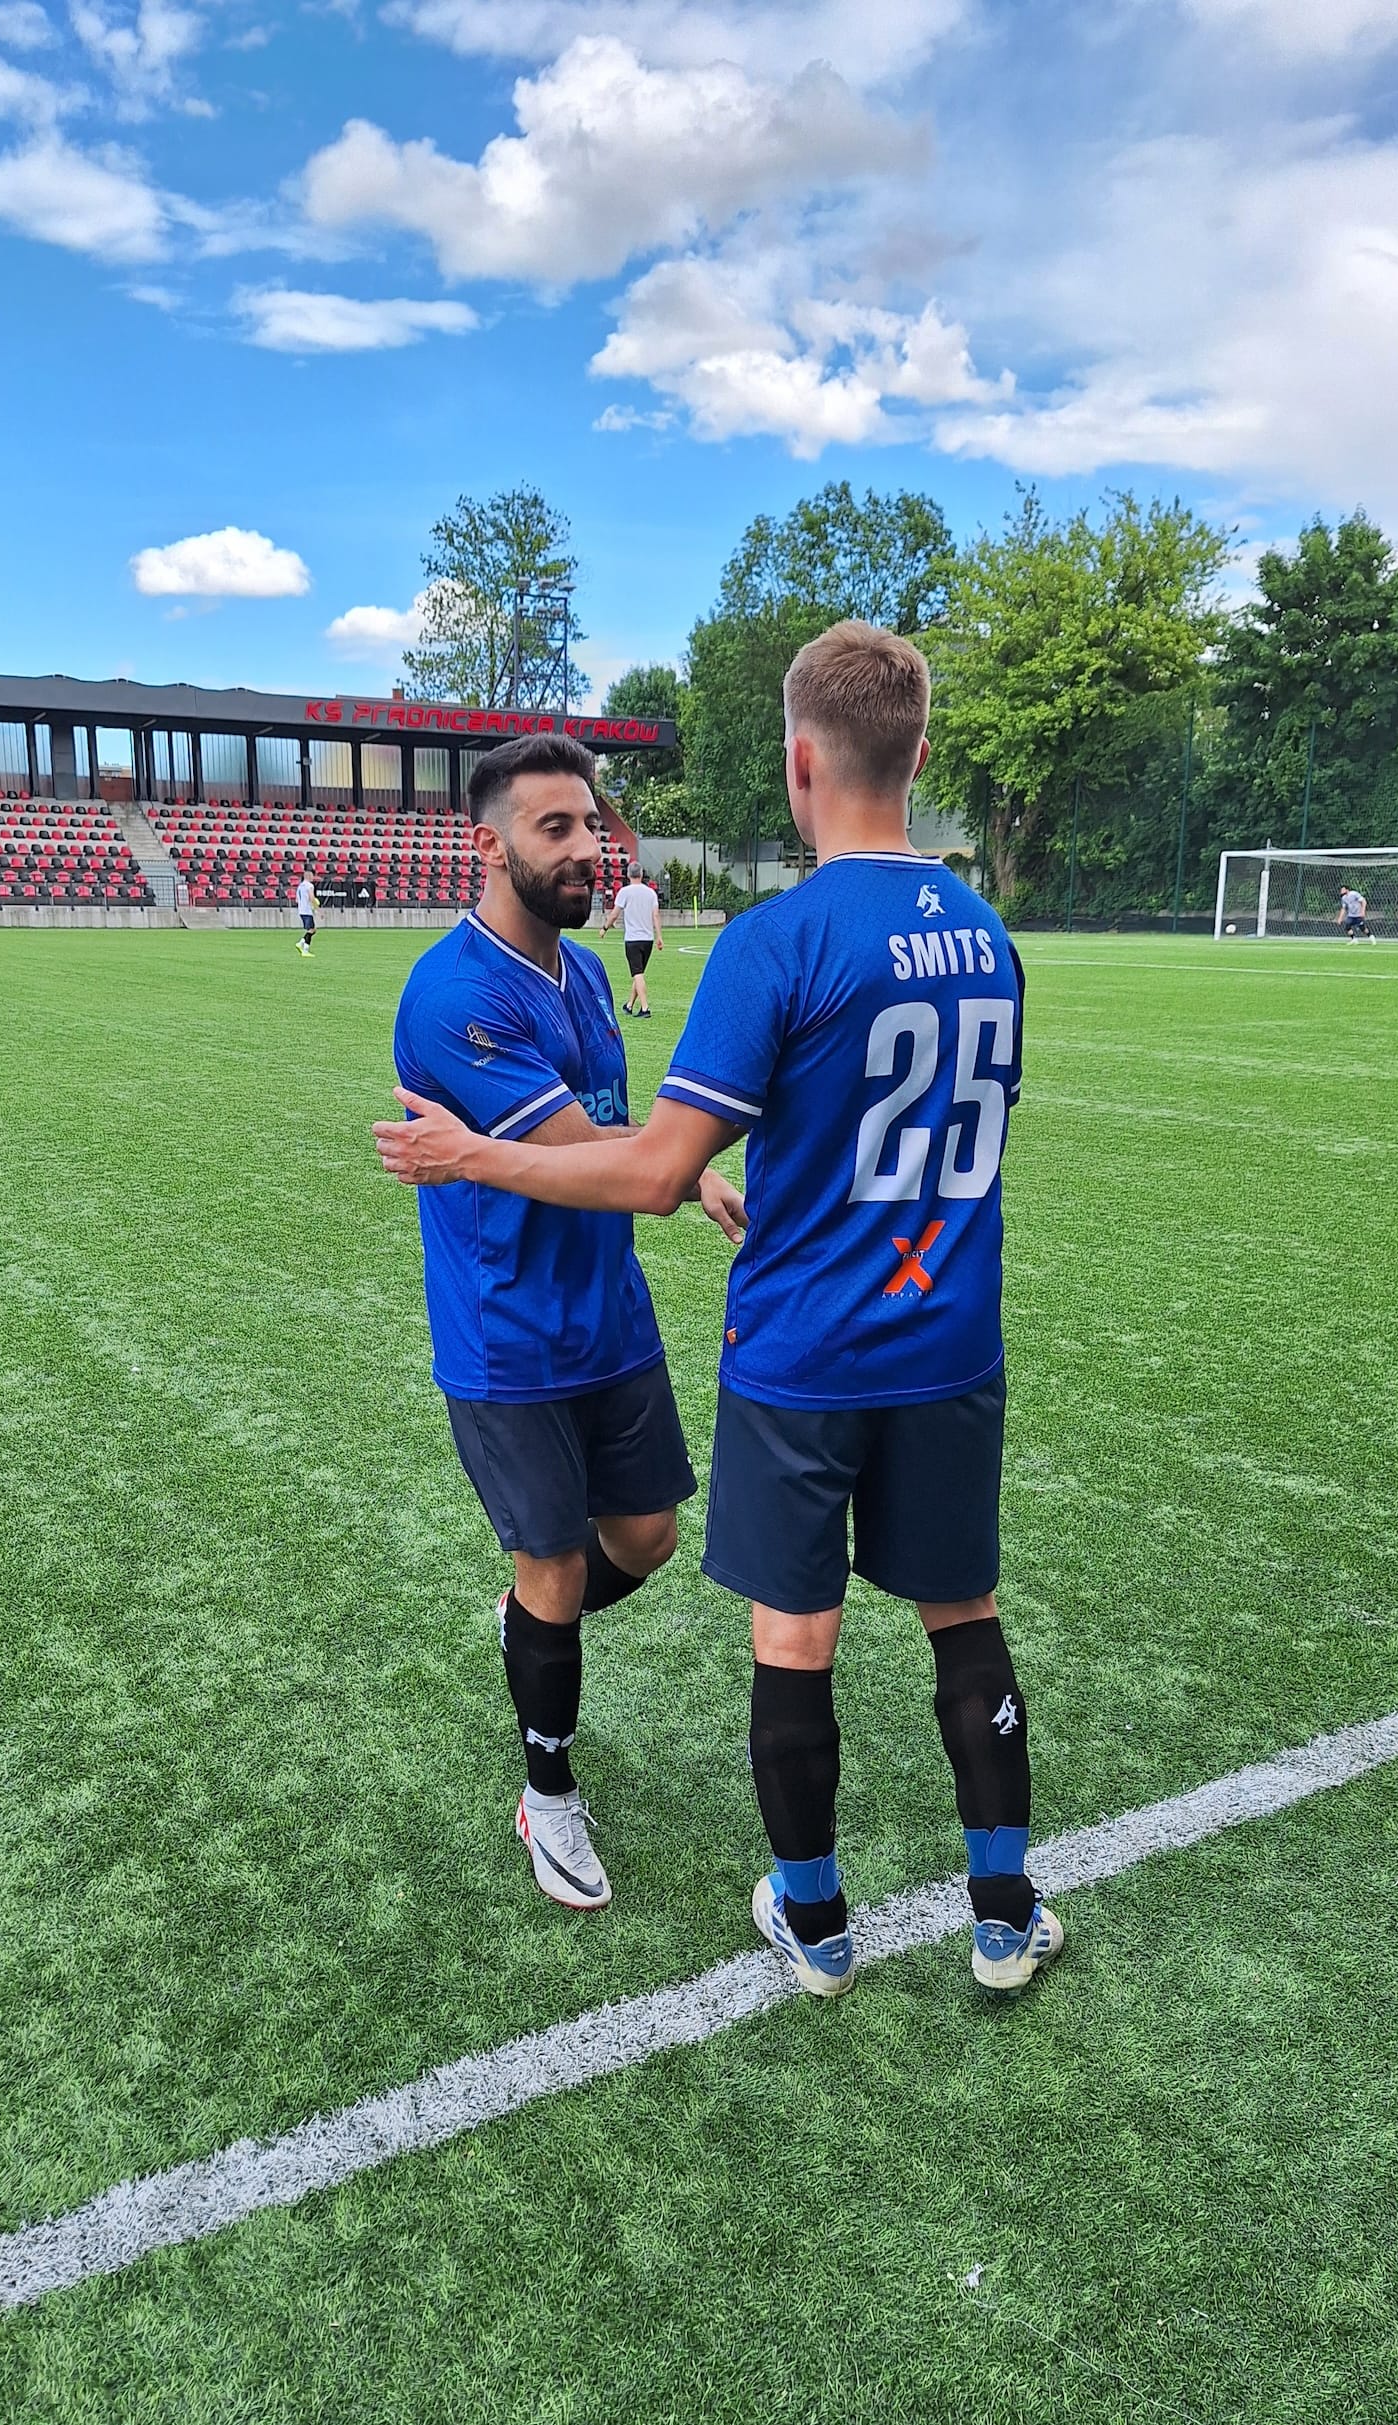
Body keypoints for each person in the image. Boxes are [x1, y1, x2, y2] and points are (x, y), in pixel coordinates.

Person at [377, 622, 1061, 2000]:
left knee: (791, 1637)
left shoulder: (773, 942)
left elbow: (646, 1160)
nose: (586, 847)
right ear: (919, 756)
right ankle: (1004, 1913)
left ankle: (816, 1927)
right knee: (962, 1611)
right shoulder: (988, 936)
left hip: (805, 1350)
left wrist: (471, 1155)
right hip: (947, 1340)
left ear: (800, 760)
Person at [389, 730, 746, 1912]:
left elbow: (611, 1128)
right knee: (549, 1563)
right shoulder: (451, 995)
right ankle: (547, 1792)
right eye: (558, 828)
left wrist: (677, 1167)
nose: (588, 847)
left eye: (591, 825)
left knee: (642, 1539)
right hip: (510, 1334)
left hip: (611, 1315)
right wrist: (675, 1163)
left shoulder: (585, 975)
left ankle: (526, 1628)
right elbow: (574, 1147)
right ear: (487, 846)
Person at [600, 859, 663, 1018]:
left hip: (633, 939)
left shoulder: (625, 892)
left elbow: (615, 913)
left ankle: (645, 1008)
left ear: (628, 875)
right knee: (639, 973)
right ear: (641, 874)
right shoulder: (650, 893)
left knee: (638, 973)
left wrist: (605, 927)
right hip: (647, 938)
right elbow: (655, 915)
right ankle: (629, 1005)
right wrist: (659, 936)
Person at [295, 868, 319, 952]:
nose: (313, 877)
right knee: (311, 930)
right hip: (307, 910)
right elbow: (312, 898)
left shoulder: (300, 886)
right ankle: (305, 949)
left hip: (301, 910)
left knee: (313, 929)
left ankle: (301, 943)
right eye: (312, 875)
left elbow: (297, 900)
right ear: (309, 875)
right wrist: (317, 909)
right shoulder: (309, 886)